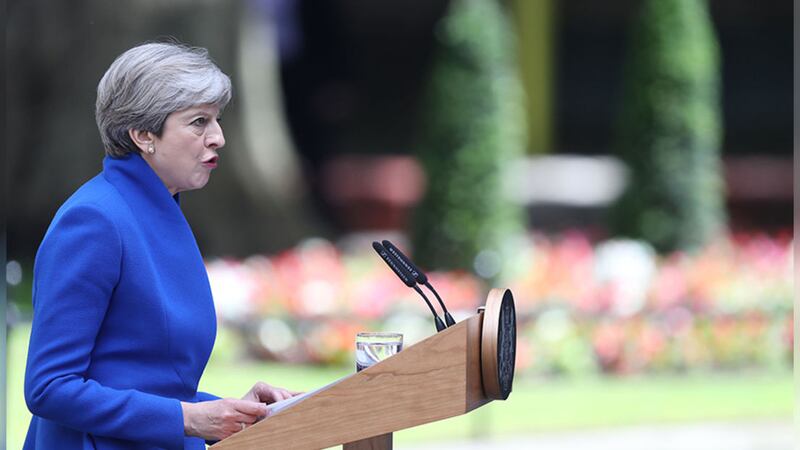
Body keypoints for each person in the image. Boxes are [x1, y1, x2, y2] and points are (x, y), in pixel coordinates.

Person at [23, 41, 299, 449]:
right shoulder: (95, 220)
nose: (219, 137)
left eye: (217, 119)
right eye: (199, 122)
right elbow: (49, 387)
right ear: (142, 135)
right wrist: (188, 418)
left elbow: (148, 378)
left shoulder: (159, 208)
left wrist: (229, 412)